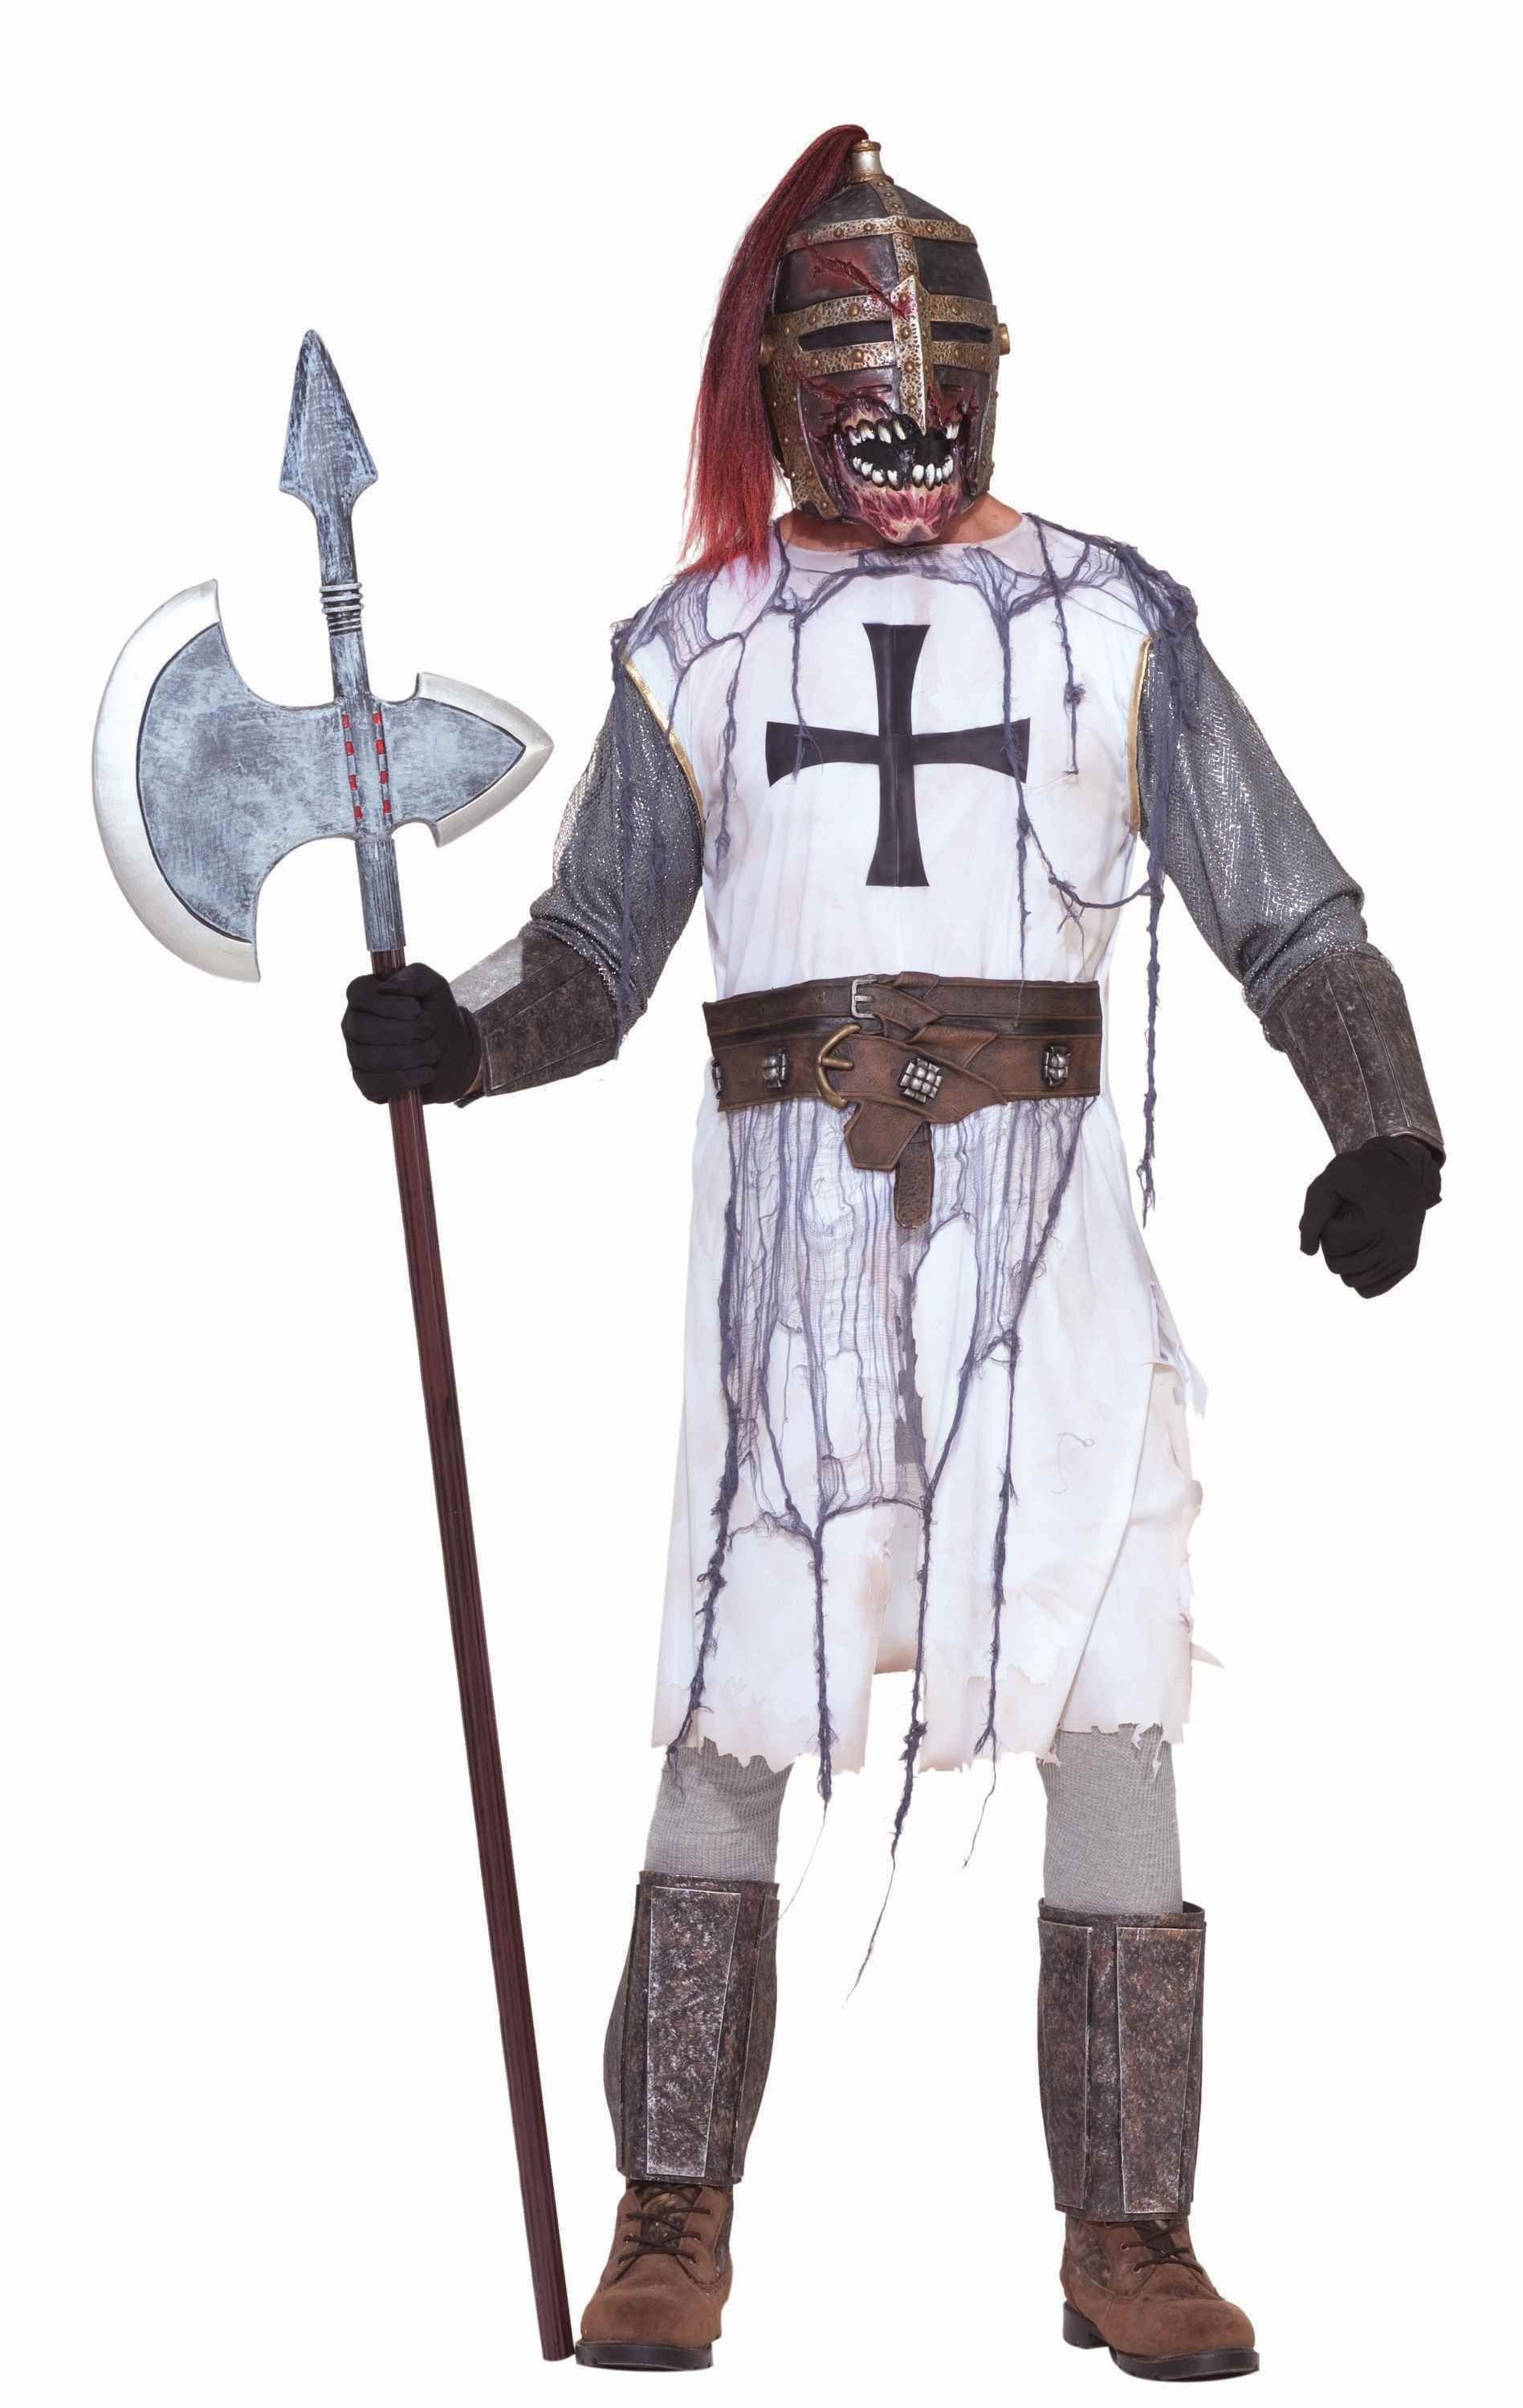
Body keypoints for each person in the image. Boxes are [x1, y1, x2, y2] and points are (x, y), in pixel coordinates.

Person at [341, 128, 1442, 2382]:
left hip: (1048, 1237)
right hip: (793, 1251)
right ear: (793, 396)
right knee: (736, 1682)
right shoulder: (701, 647)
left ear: (992, 381)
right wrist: (459, 1032)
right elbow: (594, 953)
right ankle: (672, 2210)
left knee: (1108, 1681)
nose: (913, 416)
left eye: (944, 377)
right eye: (867, 376)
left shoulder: (1112, 621)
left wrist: (1383, 1122)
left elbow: (1289, 911)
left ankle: (1127, 2232)